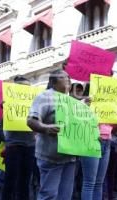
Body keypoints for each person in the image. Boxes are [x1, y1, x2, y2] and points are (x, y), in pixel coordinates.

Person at [27, 69, 76, 200]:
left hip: (70, 157)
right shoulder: (45, 97)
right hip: (51, 157)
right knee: (49, 195)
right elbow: (31, 120)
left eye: (69, 78)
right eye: (64, 77)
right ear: (53, 82)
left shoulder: (72, 100)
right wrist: (45, 128)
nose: (68, 80)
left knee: (65, 196)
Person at [2, 75, 36, 200]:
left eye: (27, 88)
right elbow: (2, 125)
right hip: (13, 146)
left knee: (25, 182)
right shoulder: (7, 103)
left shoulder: (34, 103)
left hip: (30, 146)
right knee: (10, 181)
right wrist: (4, 110)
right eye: (22, 87)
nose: (25, 90)